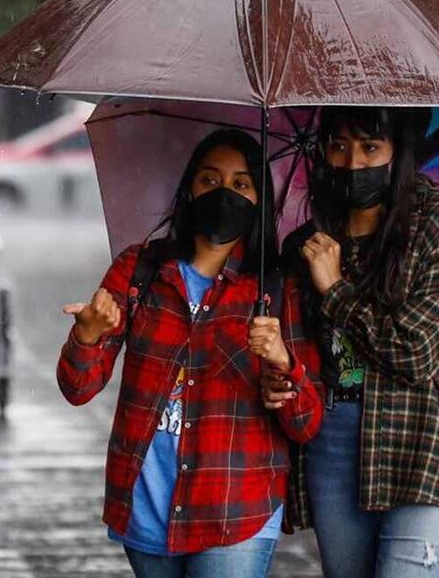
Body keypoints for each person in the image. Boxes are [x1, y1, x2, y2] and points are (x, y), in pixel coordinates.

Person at [57, 129, 323, 578]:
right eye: (210, 180)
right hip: (145, 508)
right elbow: (78, 389)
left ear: (261, 198)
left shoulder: (278, 288)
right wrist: (87, 336)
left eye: (241, 184)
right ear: (189, 189)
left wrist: (282, 362)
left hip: (236, 510)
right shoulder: (139, 269)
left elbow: (305, 422)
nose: (224, 193)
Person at [276, 107, 439, 577]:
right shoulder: (310, 242)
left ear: (398, 152)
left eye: (370, 147)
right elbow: (303, 355)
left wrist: (335, 291)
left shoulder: (438, 223)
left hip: (425, 442)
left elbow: (416, 352)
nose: (353, 163)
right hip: (335, 445)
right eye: (338, 146)